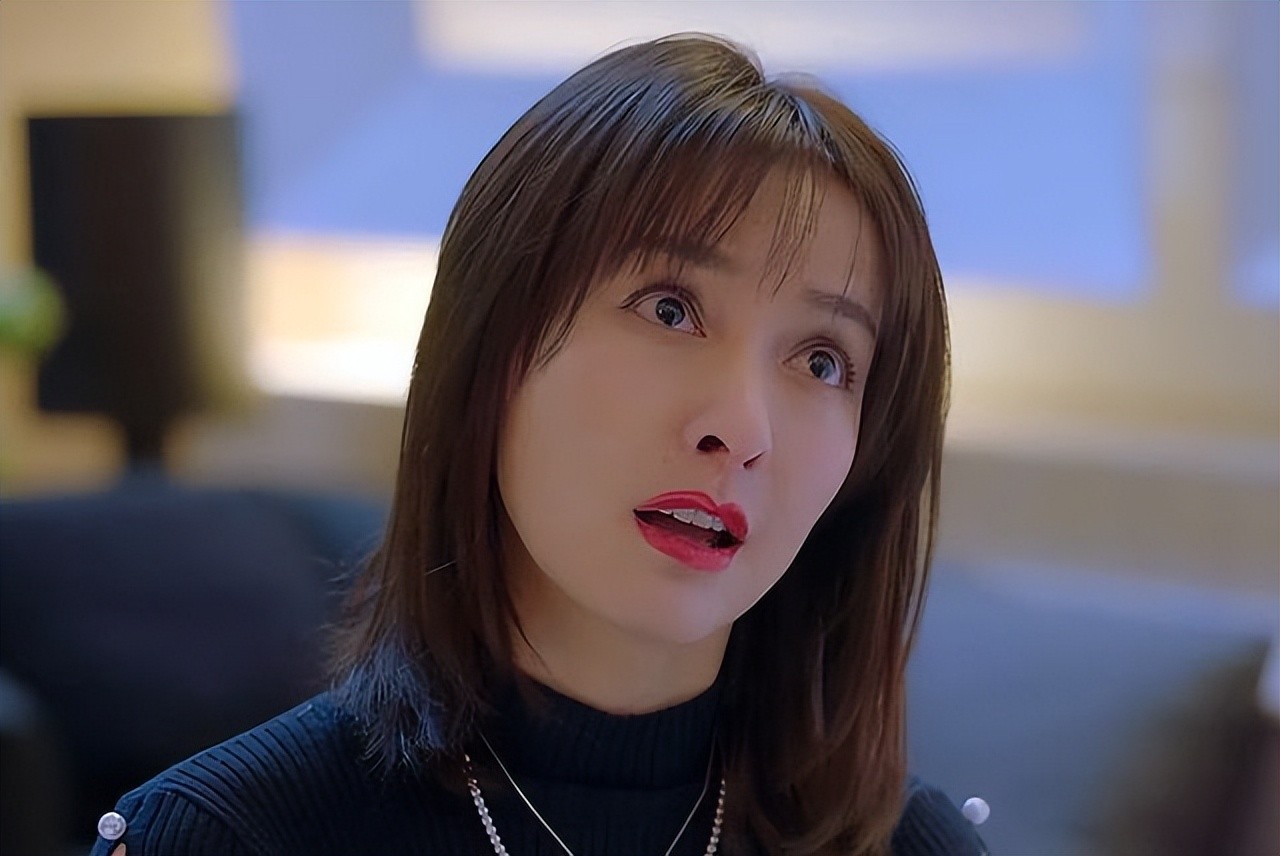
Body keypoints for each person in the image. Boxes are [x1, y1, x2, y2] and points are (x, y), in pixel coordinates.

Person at [90, 34, 986, 856]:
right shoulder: (218, 837)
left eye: (823, 360)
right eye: (671, 309)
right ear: (493, 347)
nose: (743, 429)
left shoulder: (913, 847)